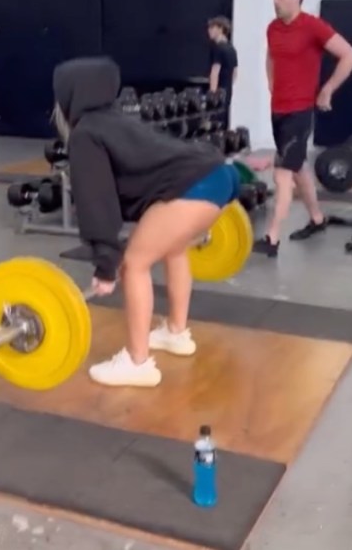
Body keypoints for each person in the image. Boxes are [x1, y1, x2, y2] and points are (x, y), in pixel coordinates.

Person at [53, 56, 243, 388]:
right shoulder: (119, 119)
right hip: (220, 175)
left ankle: (137, 362)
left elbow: (97, 200)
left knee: (134, 265)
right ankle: (175, 332)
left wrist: (106, 264)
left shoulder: (85, 133)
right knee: (174, 248)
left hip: (191, 187)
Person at [255, 0, 352, 257]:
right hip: (277, 109)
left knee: (282, 174)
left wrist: (327, 90)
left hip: (299, 112)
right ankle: (317, 218)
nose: (275, 1)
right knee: (299, 167)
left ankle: (271, 239)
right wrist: (271, 82)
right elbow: (271, 56)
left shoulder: (312, 26)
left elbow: (350, 56)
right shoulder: (273, 28)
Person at [207, 16, 238, 129]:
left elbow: (215, 72)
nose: (209, 31)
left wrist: (212, 93)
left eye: (212, 27)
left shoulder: (218, 48)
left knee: (214, 122)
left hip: (218, 92)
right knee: (223, 121)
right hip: (227, 91)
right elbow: (235, 73)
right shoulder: (231, 49)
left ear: (220, 29)